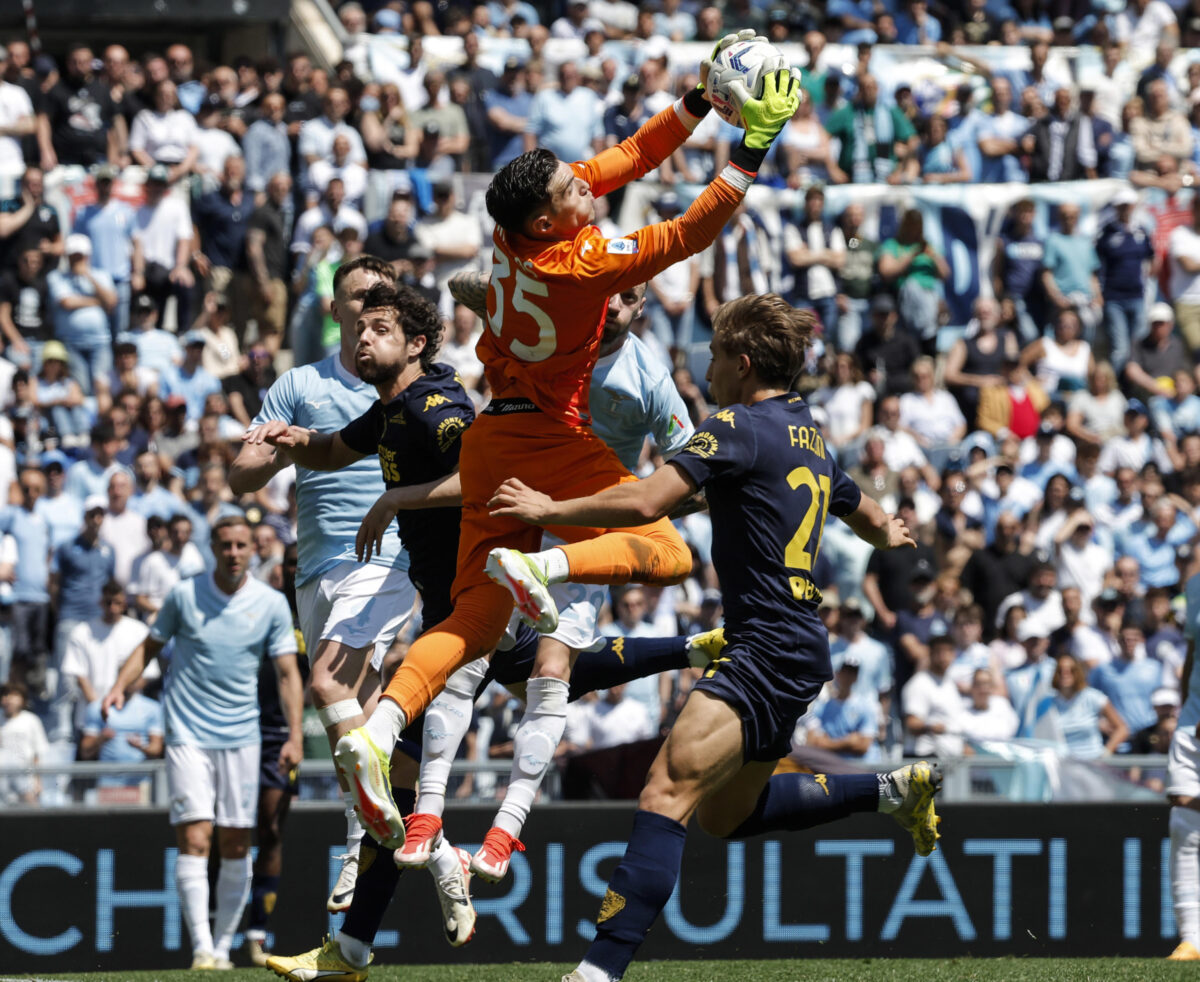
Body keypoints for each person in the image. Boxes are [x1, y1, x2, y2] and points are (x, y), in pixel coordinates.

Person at [327, 34, 804, 853]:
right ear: (551, 218)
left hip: (490, 436)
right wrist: (753, 143)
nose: (585, 185)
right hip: (547, 433)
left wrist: (696, 102)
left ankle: (380, 726)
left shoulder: (519, 230)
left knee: (473, 617)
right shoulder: (581, 262)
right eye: (568, 189)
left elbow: (626, 157)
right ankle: (545, 566)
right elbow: (689, 231)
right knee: (666, 543)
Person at [489, 294, 939, 982]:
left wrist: (550, 508)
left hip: (763, 647)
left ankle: (596, 972)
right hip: (796, 647)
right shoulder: (808, 435)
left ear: (744, 362)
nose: (707, 369)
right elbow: (868, 514)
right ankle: (889, 791)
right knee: (727, 816)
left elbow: (647, 502)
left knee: (664, 791)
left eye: (716, 356)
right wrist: (890, 530)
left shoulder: (733, 424)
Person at [229, 255, 418, 914]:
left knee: (332, 686)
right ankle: (407, 828)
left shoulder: (406, 380)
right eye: (357, 294)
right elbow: (243, 475)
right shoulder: (298, 384)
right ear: (335, 308)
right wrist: (259, 456)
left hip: (386, 555)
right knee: (356, 719)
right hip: (316, 567)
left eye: (380, 294)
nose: (368, 302)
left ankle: (357, 845)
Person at [101, 515, 303, 971]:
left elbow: (289, 674)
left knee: (235, 843)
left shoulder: (270, 604)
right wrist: (119, 686)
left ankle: (224, 946)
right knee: (195, 837)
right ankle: (202, 951)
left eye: (241, 545)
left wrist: (293, 735)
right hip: (187, 734)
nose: (233, 553)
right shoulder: (183, 595)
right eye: (226, 544)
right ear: (213, 547)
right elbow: (149, 647)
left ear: (253, 550)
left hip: (243, 737)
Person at [1167, 567, 1200, 960]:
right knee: (1182, 818)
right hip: (1193, 717)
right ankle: (1192, 938)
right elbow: (1193, 650)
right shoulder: (1195, 585)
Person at [1033, 653, 1127, 758]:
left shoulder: (1093, 697)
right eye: (1060, 670)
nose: (1065, 674)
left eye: (1071, 670)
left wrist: (1106, 752)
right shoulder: (1048, 702)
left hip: (1093, 762)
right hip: (1063, 765)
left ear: (1078, 672)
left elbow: (1122, 728)